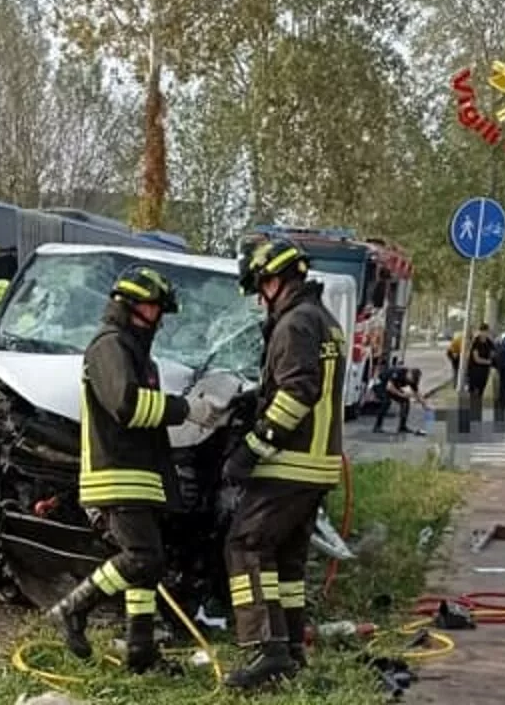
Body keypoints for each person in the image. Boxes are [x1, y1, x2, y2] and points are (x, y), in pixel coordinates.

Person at [47, 265, 221, 674]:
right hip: (115, 475)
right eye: (156, 307)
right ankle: (73, 609)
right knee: (141, 557)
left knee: (150, 565)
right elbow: (126, 406)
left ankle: (141, 654)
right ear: (134, 305)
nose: (159, 317)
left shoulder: (138, 353)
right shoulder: (109, 346)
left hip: (139, 477)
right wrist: (187, 409)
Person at [219, 238, 346, 690]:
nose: (260, 298)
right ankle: (291, 649)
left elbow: (297, 392)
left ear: (274, 281)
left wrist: (252, 448)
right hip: (316, 464)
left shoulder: (294, 324)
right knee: (287, 560)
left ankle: (264, 650)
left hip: (289, 462)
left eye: (260, 288)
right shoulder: (322, 319)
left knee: (246, 545)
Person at [372, 367, 429, 435]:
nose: (410, 382)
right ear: (409, 373)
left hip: (392, 387)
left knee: (405, 401)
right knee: (386, 402)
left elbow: (417, 393)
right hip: (380, 384)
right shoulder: (398, 372)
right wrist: (401, 395)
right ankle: (377, 426)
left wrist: (424, 404)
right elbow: (389, 387)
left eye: (412, 381)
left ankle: (402, 427)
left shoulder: (413, 379)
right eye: (410, 380)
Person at [467, 324, 494, 420]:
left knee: (481, 390)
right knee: (473, 390)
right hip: (474, 369)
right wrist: (489, 362)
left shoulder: (489, 342)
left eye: (486, 331)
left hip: (484, 370)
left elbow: (492, 354)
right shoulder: (476, 342)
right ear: (480, 331)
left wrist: (492, 361)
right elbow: (476, 358)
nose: (485, 333)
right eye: (483, 331)